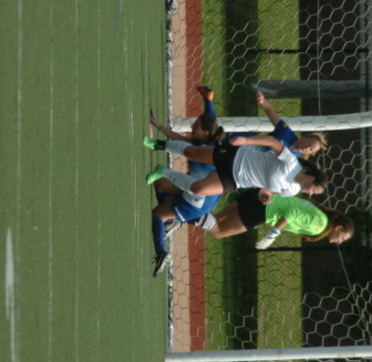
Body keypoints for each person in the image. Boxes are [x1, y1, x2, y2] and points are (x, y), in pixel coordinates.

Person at [149, 86, 224, 277]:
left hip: (197, 200)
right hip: (198, 191)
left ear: (205, 132)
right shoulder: (205, 140)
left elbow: (182, 140)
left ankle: (161, 252)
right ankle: (172, 219)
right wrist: (208, 100)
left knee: (157, 214)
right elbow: (208, 123)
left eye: (195, 127)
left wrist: (158, 138)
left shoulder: (207, 150)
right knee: (161, 183)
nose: (192, 128)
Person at [143, 134, 328, 203]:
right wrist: (246, 141)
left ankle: (162, 171)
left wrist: (264, 196)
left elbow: (267, 190)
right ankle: (157, 144)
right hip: (237, 156)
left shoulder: (292, 191)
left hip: (236, 180)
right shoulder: (292, 164)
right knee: (193, 153)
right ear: (311, 178)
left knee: (198, 189)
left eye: (313, 194)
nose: (310, 193)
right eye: (313, 190)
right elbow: (272, 141)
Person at [196, 188, 354, 248]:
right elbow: (292, 213)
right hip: (263, 210)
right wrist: (273, 233)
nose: (339, 241)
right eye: (342, 237)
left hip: (263, 196)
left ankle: (188, 207)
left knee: (216, 218)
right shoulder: (320, 225)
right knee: (219, 231)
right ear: (339, 228)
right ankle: (187, 212)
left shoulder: (321, 215)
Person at [254, 90, 328, 158]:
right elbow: (270, 110)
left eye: (310, 149)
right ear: (306, 137)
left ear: (310, 153)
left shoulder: (296, 161)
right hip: (249, 146)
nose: (307, 147)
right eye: (309, 143)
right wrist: (262, 102)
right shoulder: (286, 132)